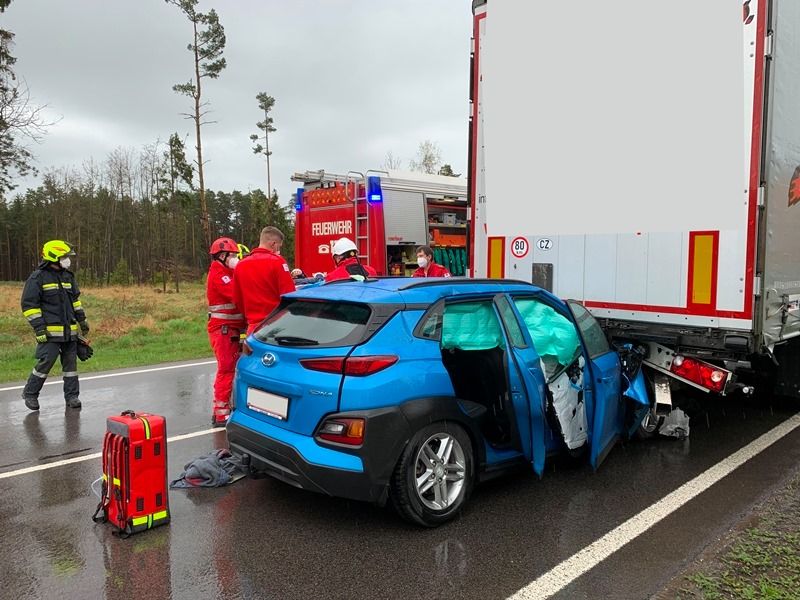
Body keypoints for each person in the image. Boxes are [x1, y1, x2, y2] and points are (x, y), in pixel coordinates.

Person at [20, 240, 89, 411]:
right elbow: (29, 306)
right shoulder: (38, 277)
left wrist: (82, 320)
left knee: (71, 367)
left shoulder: (68, 276)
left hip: (70, 333)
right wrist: (39, 328)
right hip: (49, 334)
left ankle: (72, 397)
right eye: (64, 256)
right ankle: (30, 393)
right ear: (54, 257)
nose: (68, 260)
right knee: (45, 363)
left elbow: (75, 302)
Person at [206, 237, 246, 426]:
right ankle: (221, 412)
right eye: (232, 255)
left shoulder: (226, 273)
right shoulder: (220, 274)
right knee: (227, 369)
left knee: (231, 368)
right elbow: (237, 294)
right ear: (222, 256)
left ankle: (227, 407)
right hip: (223, 330)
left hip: (230, 329)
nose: (235, 258)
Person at [233, 226, 296, 334]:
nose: (278, 250)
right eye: (278, 247)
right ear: (273, 244)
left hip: (253, 329)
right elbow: (289, 295)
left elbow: (237, 299)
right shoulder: (278, 262)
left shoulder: (240, 265)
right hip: (277, 326)